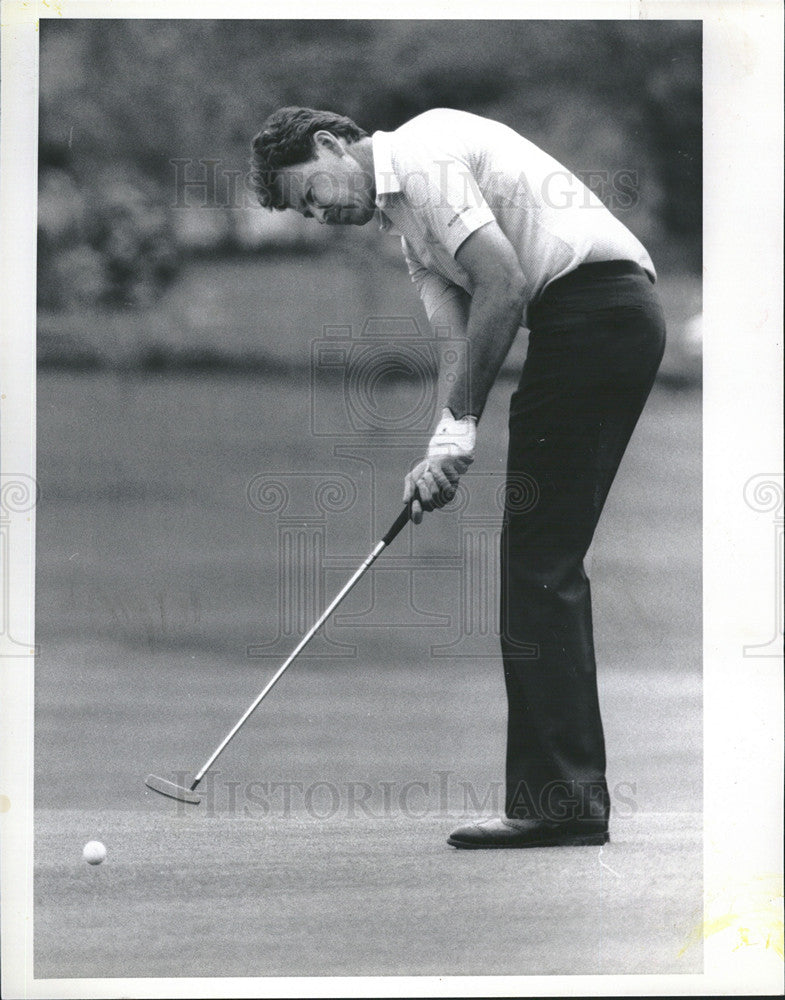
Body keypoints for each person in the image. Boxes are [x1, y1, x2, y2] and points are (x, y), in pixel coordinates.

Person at [250, 106, 666, 849]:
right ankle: (563, 798)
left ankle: (563, 803)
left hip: (595, 314)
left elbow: (503, 284)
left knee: (540, 561)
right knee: (538, 559)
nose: (319, 213)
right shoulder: (405, 225)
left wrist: (461, 426)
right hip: (596, 323)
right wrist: (440, 445)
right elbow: (460, 334)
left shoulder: (421, 153)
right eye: (304, 212)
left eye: (310, 192)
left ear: (328, 144)